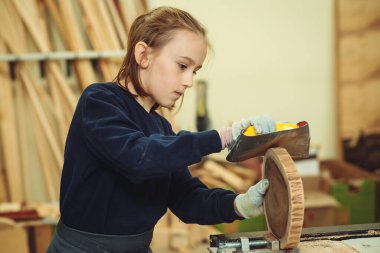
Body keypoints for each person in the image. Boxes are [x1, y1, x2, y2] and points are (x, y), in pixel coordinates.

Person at [47, 6, 276, 253]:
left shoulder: (161, 128)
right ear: (143, 55)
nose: (188, 81)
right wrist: (223, 137)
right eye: (182, 66)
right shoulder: (99, 102)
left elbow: (185, 198)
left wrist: (238, 204)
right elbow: (139, 156)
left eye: (194, 71)